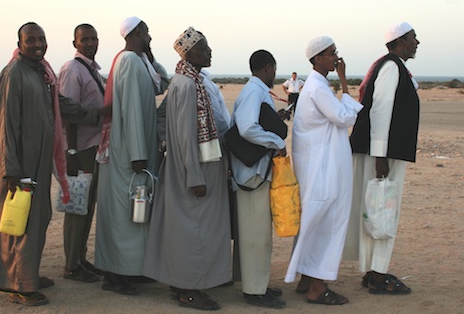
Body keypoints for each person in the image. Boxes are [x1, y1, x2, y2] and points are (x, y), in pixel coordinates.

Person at [0, 22, 102, 306]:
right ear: (20, 42)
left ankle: (28, 275)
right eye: (31, 40)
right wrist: (11, 170)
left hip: (38, 162)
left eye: (42, 39)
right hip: (20, 165)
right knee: (20, 221)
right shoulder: (14, 73)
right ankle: (19, 285)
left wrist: (99, 113)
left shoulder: (42, 73)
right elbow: (7, 126)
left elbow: (61, 104)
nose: (38, 44)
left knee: (38, 218)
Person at [143, 27, 231, 311]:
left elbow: (170, 123)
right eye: (203, 48)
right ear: (188, 53)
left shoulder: (187, 81)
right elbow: (185, 134)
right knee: (195, 233)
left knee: (189, 231)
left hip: (190, 168)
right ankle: (188, 290)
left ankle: (184, 285)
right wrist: (193, 175)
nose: (209, 52)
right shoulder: (188, 84)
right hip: (193, 173)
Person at [283, 36, 363, 305]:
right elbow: (344, 117)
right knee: (325, 224)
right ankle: (317, 288)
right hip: (323, 170)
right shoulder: (317, 88)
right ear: (317, 58)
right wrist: (344, 82)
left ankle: (307, 279)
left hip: (320, 167)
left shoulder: (316, 86)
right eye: (331, 54)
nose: (336, 58)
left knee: (316, 221)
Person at [344, 22, 420, 295]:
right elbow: (380, 111)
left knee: (377, 210)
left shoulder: (392, 65)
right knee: (382, 210)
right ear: (400, 41)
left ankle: (374, 269)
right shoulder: (390, 67)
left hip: (385, 151)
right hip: (383, 154)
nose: (417, 43)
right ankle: (377, 273)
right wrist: (380, 155)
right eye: (413, 38)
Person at [94, 16, 167, 296]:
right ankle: (113, 274)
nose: (150, 36)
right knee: (123, 217)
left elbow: (161, 84)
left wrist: (150, 54)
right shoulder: (128, 61)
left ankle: (132, 269)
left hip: (138, 151)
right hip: (128, 154)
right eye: (146, 32)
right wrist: (138, 154)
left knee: (137, 216)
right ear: (137, 32)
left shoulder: (139, 61)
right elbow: (133, 110)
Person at [230, 50, 287, 309]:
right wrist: (276, 141)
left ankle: (259, 284)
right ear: (268, 68)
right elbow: (247, 127)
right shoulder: (254, 92)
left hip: (256, 172)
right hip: (250, 174)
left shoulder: (256, 91)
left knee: (260, 232)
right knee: (255, 234)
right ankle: (254, 291)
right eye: (274, 69)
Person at [58, 24, 104, 283]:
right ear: (74, 42)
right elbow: (68, 113)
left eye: (93, 38)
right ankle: (71, 266)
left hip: (93, 147)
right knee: (77, 208)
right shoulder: (73, 69)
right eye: (84, 39)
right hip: (81, 148)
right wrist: (71, 151)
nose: (90, 43)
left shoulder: (91, 70)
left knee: (87, 206)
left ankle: (79, 259)